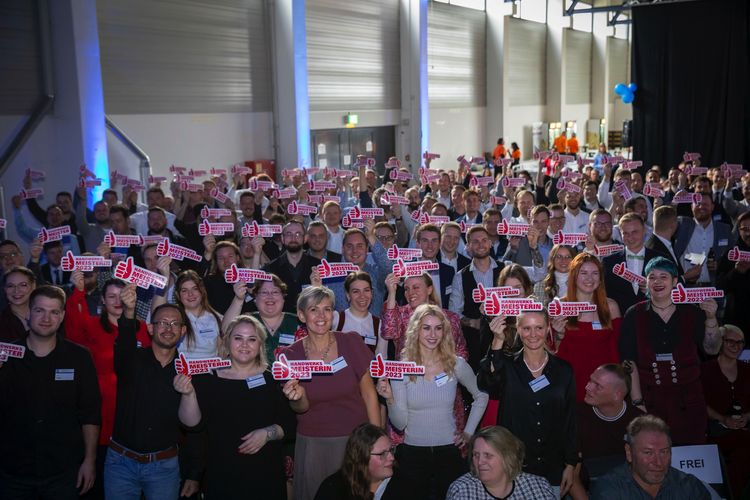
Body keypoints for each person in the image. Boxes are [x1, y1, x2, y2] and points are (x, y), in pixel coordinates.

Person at [174, 315, 306, 499]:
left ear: (260, 345)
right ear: (227, 341)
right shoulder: (207, 380)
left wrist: (267, 433)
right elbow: (192, 425)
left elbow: (290, 425)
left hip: (265, 476)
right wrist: (187, 394)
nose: (245, 344)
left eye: (252, 339)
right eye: (238, 338)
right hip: (221, 475)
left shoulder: (274, 380)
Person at [377, 305, 488, 500]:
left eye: (438, 328)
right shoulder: (402, 368)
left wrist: (469, 432)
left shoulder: (455, 364)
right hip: (413, 455)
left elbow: (482, 395)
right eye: (426, 328)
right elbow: (400, 424)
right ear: (416, 330)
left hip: (449, 453)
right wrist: (390, 399)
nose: (433, 334)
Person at [0, 285, 101, 499]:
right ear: (28, 313)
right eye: (40, 310)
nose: (46, 318)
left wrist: (90, 460)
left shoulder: (80, 357)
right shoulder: (5, 356)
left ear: (62, 316)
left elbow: (90, 414)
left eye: (54, 312)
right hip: (11, 471)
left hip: (64, 472)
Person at [281, 286, 380, 500]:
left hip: (355, 442)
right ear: (301, 315)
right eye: (314, 309)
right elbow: (300, 408)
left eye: (327, 309)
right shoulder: (290, 355)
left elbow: (370, 395)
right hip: (313, 444)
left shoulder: (351, 342)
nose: (321, 316)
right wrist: (297, 396)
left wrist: (376, 441)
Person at [106, 287, 201, 500]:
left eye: (175, 324)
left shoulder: (188, 372)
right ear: (150, 328)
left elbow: (195, 428)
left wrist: (194, 473)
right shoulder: (131, 359)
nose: (168, 328)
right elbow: (125, 342)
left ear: (183, 331)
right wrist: (129, 311)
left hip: (164, 467)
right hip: (120, 463)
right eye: (162, 323)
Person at [619, 257, 722, 445]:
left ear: (675, 281)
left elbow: (712, 349)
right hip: (650, 400)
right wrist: (637, 401)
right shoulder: (634, 314)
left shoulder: (692, 312)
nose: (657, 282)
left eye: (663, 277)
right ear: (646, 282)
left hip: (688, 400)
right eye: (652, 277)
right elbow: (628, 360)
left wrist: (711, 318)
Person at [65, 274, 152, 496]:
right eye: (111, 296)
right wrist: (78, 292)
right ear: (102, 300)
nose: (117, 301)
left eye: (122, 296)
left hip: (135, 413)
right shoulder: (92, 326)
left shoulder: (143, 329)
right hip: (102, 414)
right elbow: (72, 332)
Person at [478, 310, 577, 496]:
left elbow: (570, 419)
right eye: (526, 328)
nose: (533, 334)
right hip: (514, 467)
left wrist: (571, 464)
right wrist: (497, 340)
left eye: (539, 328)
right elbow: (487, 383)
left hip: (552, 467)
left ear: (548, 329)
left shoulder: (563, 370)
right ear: (518, 329)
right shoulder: (507, 366)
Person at [590, 415, 712, 499]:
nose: (658, 462)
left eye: (664, 452)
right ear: (629, 453)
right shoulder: (609, 490)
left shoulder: (689, 487)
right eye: (648, 453)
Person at [552, 253, 622, 399]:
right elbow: (552, 354)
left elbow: (617, 348)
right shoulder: (559, 306)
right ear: (573, 276)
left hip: (602, 385)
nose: (589, 278)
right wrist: (558, 335)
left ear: (600, 278)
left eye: (595, 273)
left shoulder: (611, 307)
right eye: (583, 273)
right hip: (570, 383)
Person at [576, 364, 644, 490]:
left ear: (617, 395)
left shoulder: (641, 423)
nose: (587, 387)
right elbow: (572, 477)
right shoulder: (575, 417)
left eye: (598, 386)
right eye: (590, 380)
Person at [700, 325, 750, 499]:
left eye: (740, 342)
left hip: (744, 431)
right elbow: (699, 403)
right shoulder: (704, 370)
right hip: (714, 431)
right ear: (720, 343)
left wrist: (747, 417)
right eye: (730, 342)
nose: (736, 346)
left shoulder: (747, 370)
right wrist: (722, 418)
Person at [450, 226, 506, 370]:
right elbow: (453, 313)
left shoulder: (506, 269)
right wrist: (472, 322)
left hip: (505, 337)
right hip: (475, 342)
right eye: (475, 241)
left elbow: (537, 276)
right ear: (468, 247)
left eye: (484, 240)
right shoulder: (460, 276)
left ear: (490, 243)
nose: (481, 244)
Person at [447, 426, 555, 500]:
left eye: (488, 455)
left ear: (508, 457)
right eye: (476, 455)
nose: (479, 462)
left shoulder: (538, 487)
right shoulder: (462, 491)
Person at [223, 274, 300, 362]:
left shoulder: (297, 321)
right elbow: (226, 330)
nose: (270, 296)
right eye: (264, 292)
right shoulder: (248, 320)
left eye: (275, 292)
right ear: (255, 298)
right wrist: (238, 299)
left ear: (283, 297)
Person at [314, 423, 399, 500]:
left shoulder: (402, 483)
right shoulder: (334, 488)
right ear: (361, 458)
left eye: (391, 450)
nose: (391, 457)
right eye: (382, 454)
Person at [153, 268, 223, 359]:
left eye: (195, 289)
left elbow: (222, 353)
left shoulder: (217, 318)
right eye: (184, 290)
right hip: (179, 367)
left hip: (210, 367)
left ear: (202, 291)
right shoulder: (174, 317)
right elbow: (157, 314)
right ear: (178, 295)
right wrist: (164, 278)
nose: (190, 294)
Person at [264, 221, 322, 312]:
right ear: (282, 238)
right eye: (289, 234)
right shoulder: (270, 269)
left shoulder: (319, 267)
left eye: (298, 234)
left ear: (305, 238)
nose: (293, 238)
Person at [332, 272, 387, 356]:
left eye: (366, 290)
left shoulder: (379, 325)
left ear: (372, 293)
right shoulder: (336, 318)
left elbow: (382, 358)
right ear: (348, 295)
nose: (362, 296)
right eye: (356, 291)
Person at [0, 266, 36, 342]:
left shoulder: (47, 314)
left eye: (23, 285)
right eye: (10, 286)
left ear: (33, 286)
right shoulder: (2, 320)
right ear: (5, 289)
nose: (16, 291)